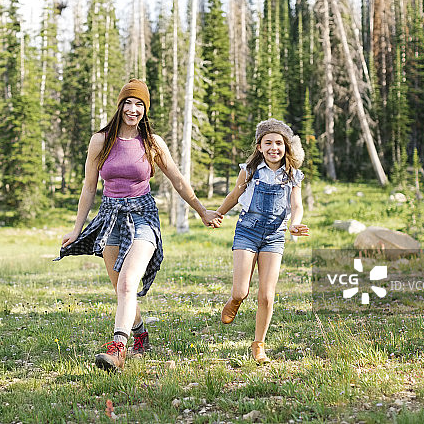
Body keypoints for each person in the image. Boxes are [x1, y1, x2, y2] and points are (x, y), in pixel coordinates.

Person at [57, 79, 222, 372]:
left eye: (140, 105)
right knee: (120, 287)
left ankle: (117, 349)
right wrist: (76, 228)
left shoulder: (153, 143)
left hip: (143, 216)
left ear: (145, 110)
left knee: (128, 282)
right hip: (110, 218)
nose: (133, 109)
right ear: (120, 106)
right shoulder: (101, 140)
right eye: (129, 103)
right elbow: (88, 188)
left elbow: (178, 180)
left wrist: (201, 210)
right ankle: (140, 334)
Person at [214, 118, 309, 364]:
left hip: (274, 236)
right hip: (247, 231)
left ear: (286, 147)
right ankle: (234, 300)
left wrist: (294, 224)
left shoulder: (293, 175)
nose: (274, 148)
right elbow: (235, 194)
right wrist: (218, 213)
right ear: (259, 146)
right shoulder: (249, 171)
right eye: (268, 143)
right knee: (241, 290)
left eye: (279, 143)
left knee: (267, 295)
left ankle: (259, 345)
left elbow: (296, 205)